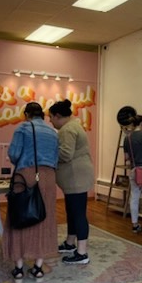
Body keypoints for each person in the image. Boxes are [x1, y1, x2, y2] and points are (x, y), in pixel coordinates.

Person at [3, 101, 59, 281]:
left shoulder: (23, 128)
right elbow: (56, 157)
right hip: (49, 177)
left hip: (27, 174)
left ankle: (19, 268)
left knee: (20, 216)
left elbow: (14, 154)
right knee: (43, 217)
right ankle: (38, 267)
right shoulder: (53, 132)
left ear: (26, 114)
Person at [48, 99, 94, 265]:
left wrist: (49, 152)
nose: (50, 121)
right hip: (76, 177)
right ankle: (70, 243)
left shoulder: (67, 130)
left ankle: (81, 252)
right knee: (73, 211)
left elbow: (66, 154)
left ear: (58, 116)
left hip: (76, 178)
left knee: (78, 213)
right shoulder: (73, 126)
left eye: (51, 117)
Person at [123, 113, 142, 234]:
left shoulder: (127, 138)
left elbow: (126, 157)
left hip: (134, 170)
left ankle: (135, 224)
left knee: (134, 197)